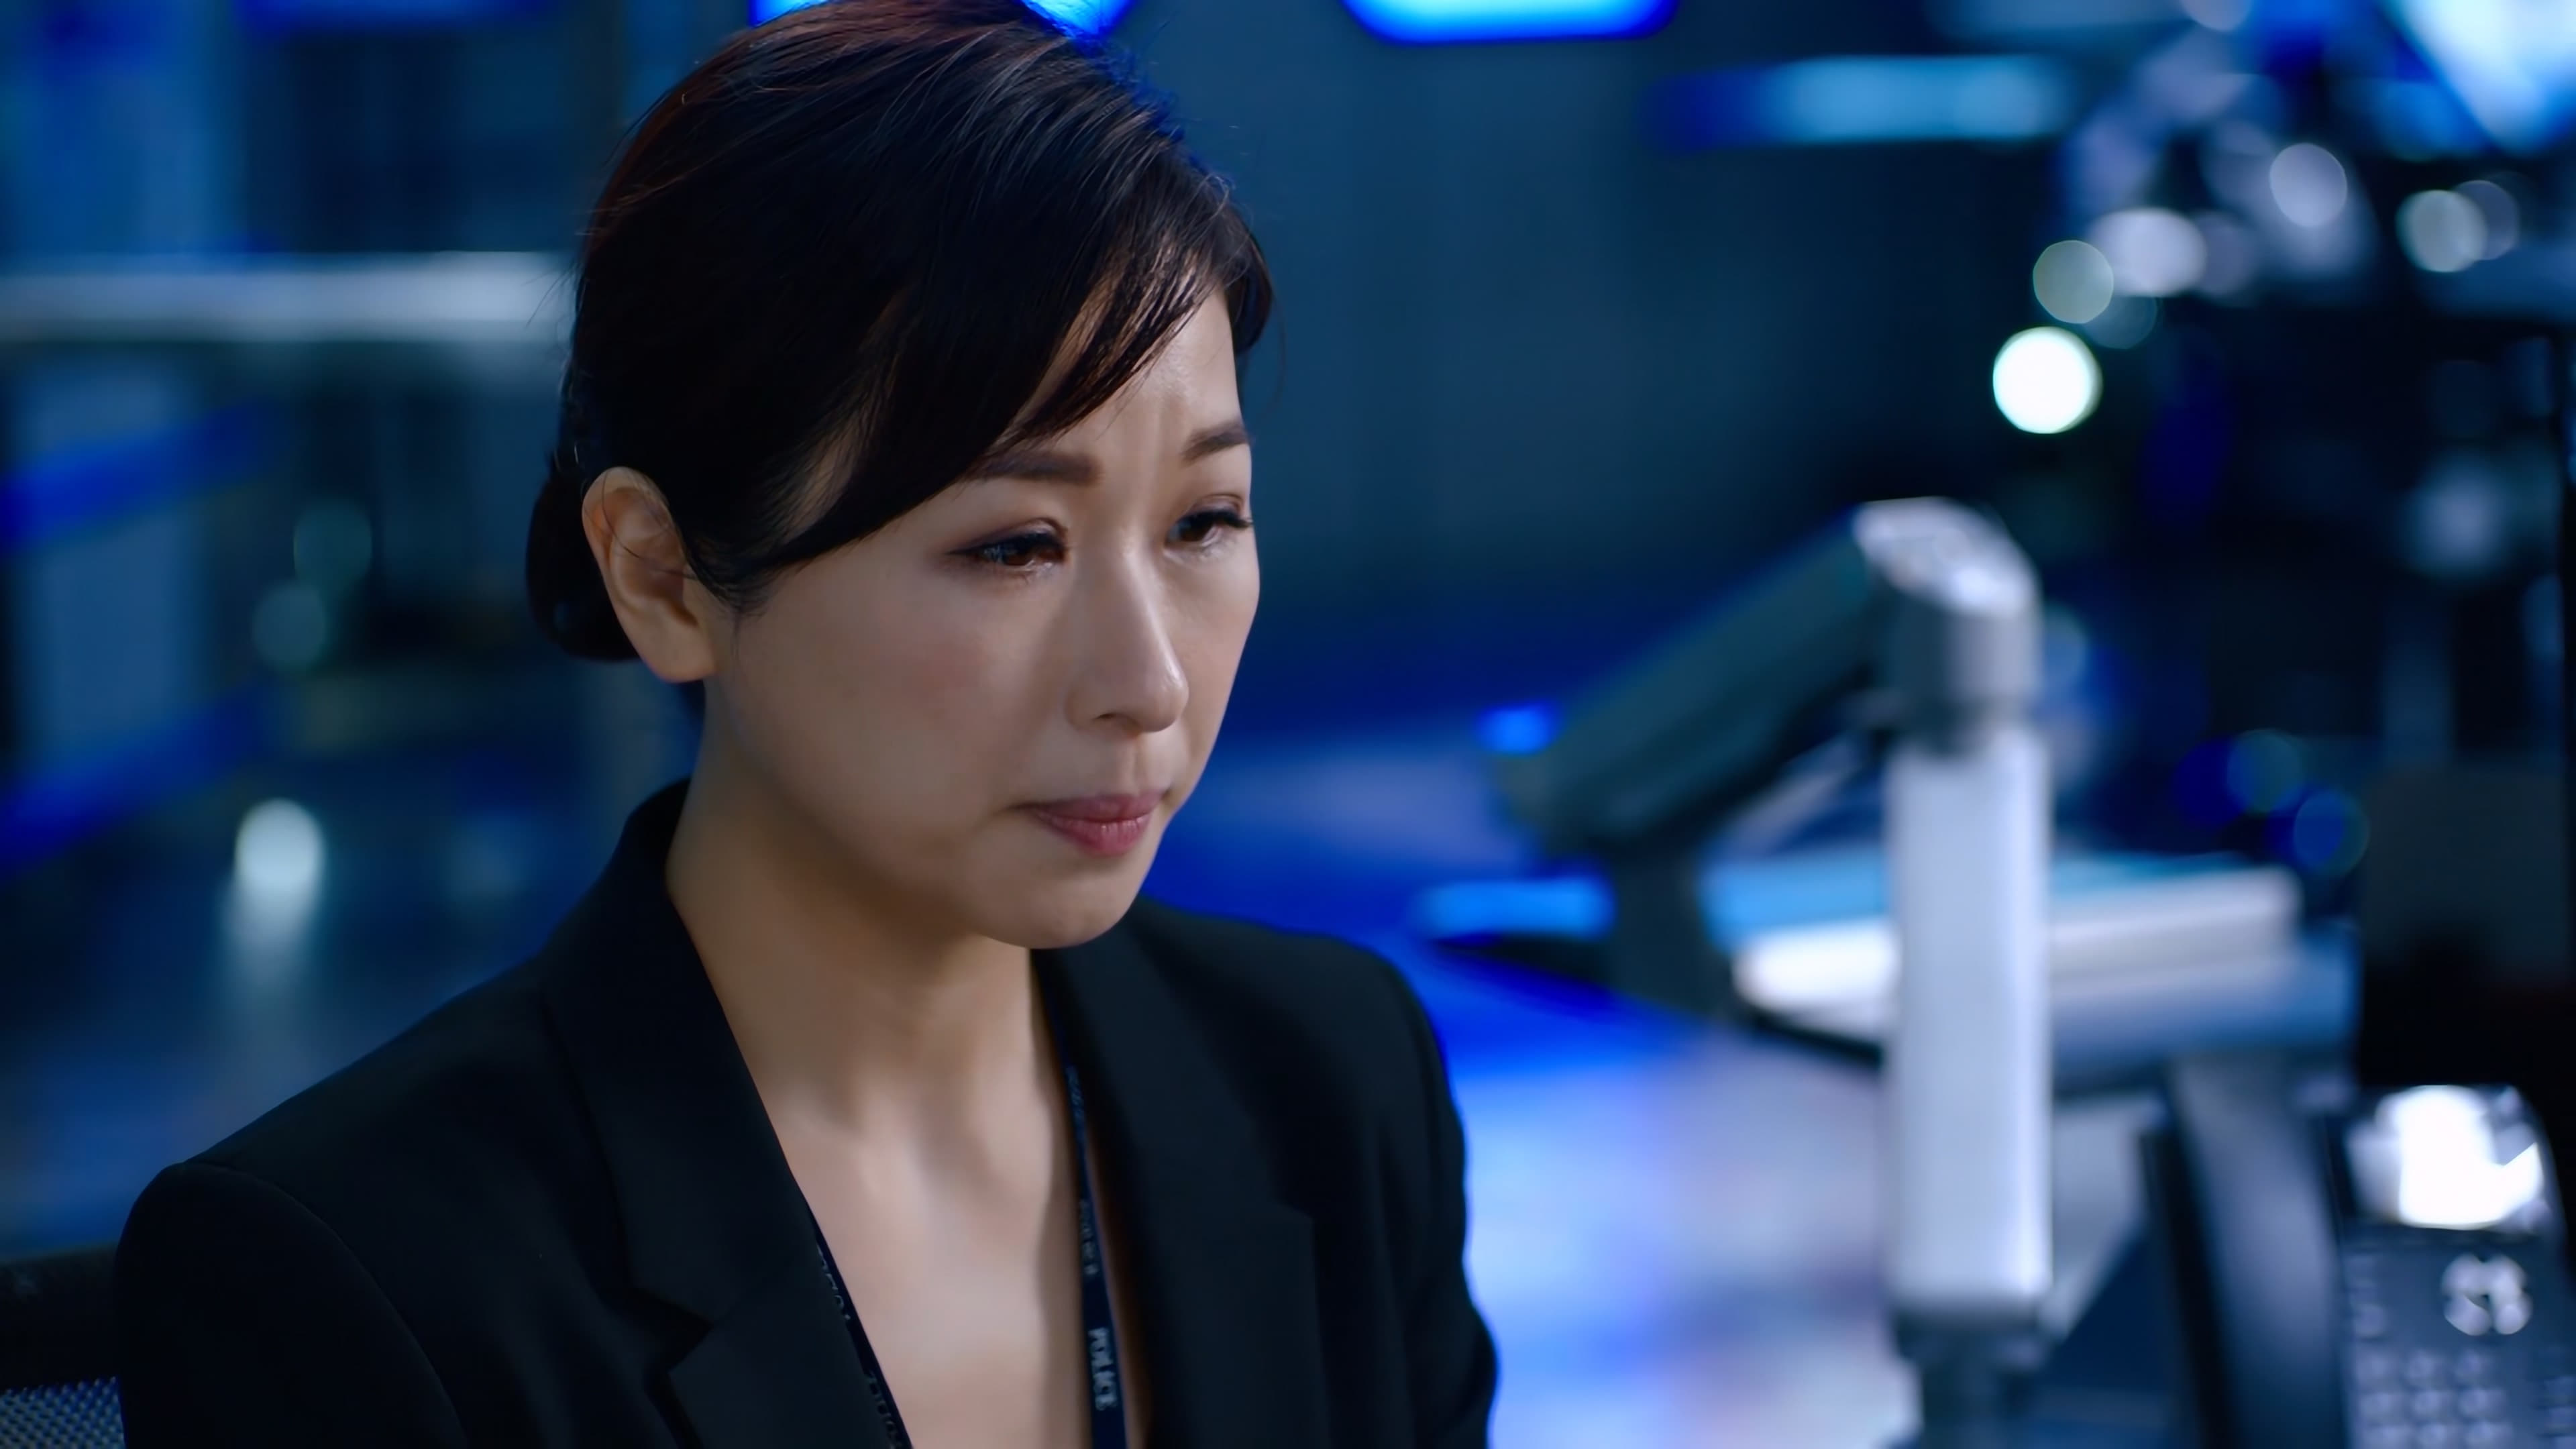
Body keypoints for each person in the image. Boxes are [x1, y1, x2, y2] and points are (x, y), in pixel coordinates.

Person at [109, 2, 1497, 1444]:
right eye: (1014, 546)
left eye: (1203, 520)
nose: (1147, 682)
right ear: (663, 576)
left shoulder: (1332, 1087)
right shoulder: (360, 1280)